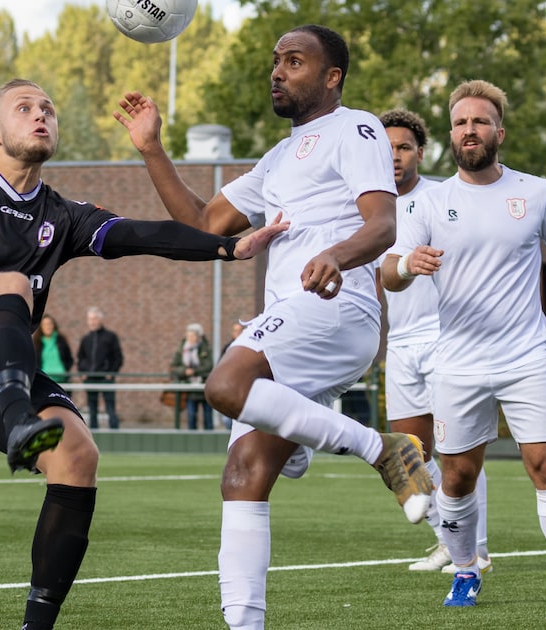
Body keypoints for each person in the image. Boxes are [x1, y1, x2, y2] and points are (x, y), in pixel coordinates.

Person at [0, 77, 286, 630]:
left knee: (77, 455)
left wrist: (228, 246)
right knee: (11, 286)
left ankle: (36, 626)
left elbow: (139, 233)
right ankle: (21, 421)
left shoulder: (61, 215)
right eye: (25, 108)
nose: (40, 114)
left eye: (48, 108)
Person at [115, 25, 434, 629]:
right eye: (275, 61)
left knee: (226, 384)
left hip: (337, 307)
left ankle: (381, 449)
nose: (277, 71)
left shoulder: (357, 127)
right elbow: (206, 222)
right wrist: (152, 149)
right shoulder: (278, 157)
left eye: (294, 61)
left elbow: (384, 224)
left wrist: (337, 255)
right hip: (290, 321)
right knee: (241, 477)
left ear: (331, 77)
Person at [381, 80, 546, 611]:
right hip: (456, 360)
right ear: (452, 136)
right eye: (460, 123)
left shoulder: (537, 191)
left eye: (479, 121)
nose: (469, 130)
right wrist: (410, 264)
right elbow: (390, 273)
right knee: (457, 475)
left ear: (498, 132)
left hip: (527, 357)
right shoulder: (429, 203)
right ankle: (464, 571)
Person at [377, 109, 491, 574]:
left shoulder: (445, 198)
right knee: (409, 455)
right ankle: (450, 541)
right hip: (400, 344)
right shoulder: (369, 207)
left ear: (421, 153)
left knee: (457, 451)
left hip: (449, 339)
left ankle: (475, 550)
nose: (395, 157)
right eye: (385, 150)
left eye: (403, 148)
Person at [76, 307, 124, 429]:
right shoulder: (86, 339)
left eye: (95, 318)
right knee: (92, 408)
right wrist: (82, 372)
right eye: (90, 319)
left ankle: (115, 432)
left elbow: (118, 357)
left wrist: (111, 372)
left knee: (110, 407)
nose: (92, 322)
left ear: (100, 320)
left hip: (106, 378)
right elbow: (80, 357)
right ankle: (93, 432)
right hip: (90, 378)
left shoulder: (110, 337)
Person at [170, 322, 213, 430]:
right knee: (191, 415)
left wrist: (194, 371)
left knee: (208, 417)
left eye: (193, 336)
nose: (190, 338)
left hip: (203, 387)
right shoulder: (182, 350)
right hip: (189, 388)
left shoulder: (205, 349)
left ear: (198, 336)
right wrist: (185, 371)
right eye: (188, 335)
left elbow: (208, 366)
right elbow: (174, 367)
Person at [33, 314, 74, 383]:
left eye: (49, 324)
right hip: (45, 380)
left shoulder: (61, 340)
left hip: (62, 379)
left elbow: (69, 358)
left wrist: (65, 370)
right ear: (41, 327)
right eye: (45, 325)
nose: (48, 327)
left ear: (53, 325)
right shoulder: (37, 343)